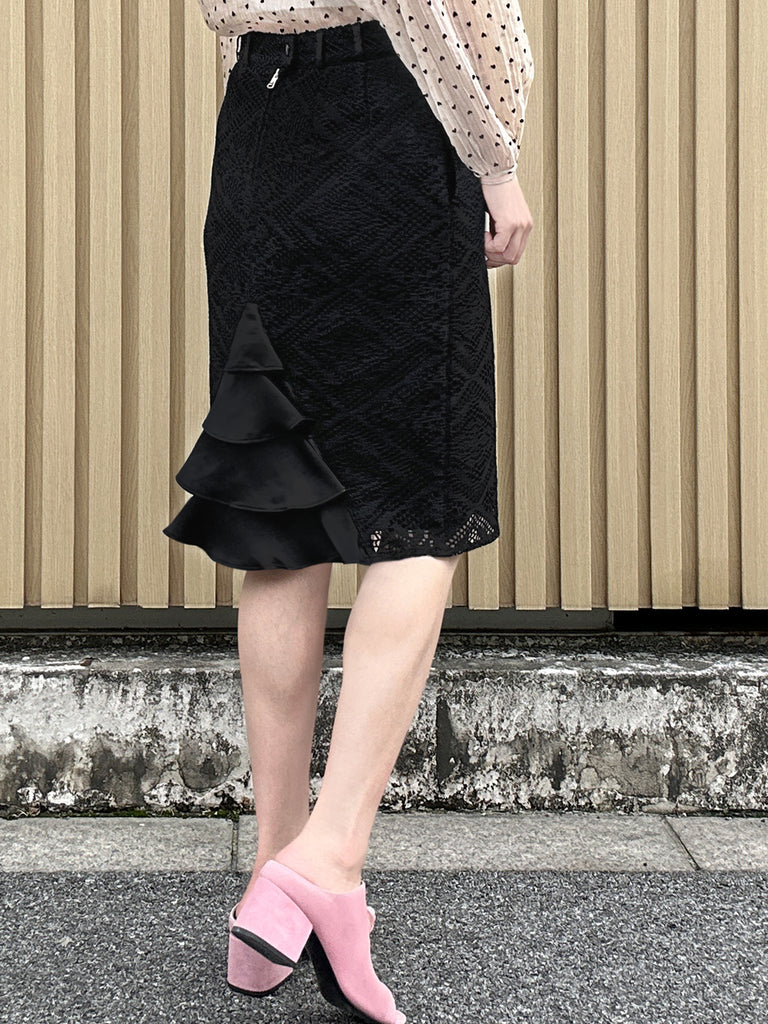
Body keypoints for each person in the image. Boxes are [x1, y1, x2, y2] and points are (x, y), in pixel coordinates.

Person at [164, 1, 534, 1020]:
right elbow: (446, 9)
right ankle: (325, 861)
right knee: (424, 510)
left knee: (280, 517)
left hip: (260, 137)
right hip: (391, 130)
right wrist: (497, 162)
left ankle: (271, 880)